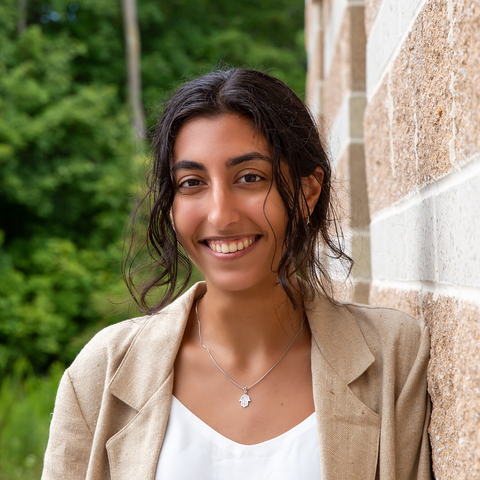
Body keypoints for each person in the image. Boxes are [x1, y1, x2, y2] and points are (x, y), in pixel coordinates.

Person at [41, 68, 432, 480]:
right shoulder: (102, 370)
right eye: (191, 182)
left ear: (308, 193)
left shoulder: (394, 357)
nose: (221, 215)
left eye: (250, 178)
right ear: (172, 207)